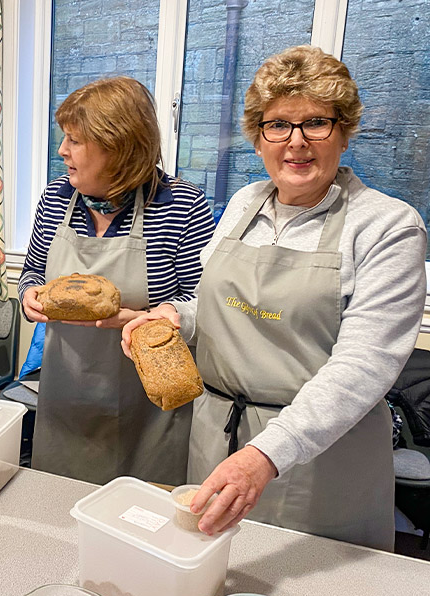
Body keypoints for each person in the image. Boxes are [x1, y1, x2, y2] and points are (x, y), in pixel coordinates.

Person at [122, 45, 427, 551]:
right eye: (278, 125)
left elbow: (364, 367)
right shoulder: (243, 204)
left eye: (316, 123)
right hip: (218, 440)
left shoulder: (387, 226)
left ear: (344, 131)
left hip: (319, 460)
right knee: (212, 568)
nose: (296, 142)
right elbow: (214, 308)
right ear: (258, 136)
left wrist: (265, 456)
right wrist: (175, 317)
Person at [19, 77, 215, 486]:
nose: (62, 151)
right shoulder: (57, 197)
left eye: (75, 140)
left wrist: (144, 318)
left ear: (118, 146)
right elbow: (33, 272)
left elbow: (204, 302)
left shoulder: (182, 205)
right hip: (65, 403)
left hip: (149, 411)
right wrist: (29, 297)